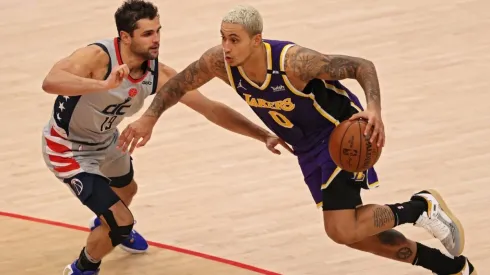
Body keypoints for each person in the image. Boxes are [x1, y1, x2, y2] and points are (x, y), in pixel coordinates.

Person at [117, 4, 478, 275]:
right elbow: (180, 82)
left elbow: (361, 66)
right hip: (305, 148)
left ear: (256, 40)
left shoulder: (295, 63)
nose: (225, 46)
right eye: (222, 37)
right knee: (350, 233)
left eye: (234, 39)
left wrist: (374, 109)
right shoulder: (220, 63)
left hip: (341, 135)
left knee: (341, 229)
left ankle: (421, 207)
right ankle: (448, 267)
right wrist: (150, 116)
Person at [40, 1, 290, 274]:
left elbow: (211, 109)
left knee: (128, 191)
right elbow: (50, 81)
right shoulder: (98, 57)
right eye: (147, 34)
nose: (156, 39)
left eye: (158, 31)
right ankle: (82, 267)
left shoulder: (156, 72)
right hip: (67, 148)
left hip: (108, 141)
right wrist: (103, 85)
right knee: (121, 221)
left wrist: (262, 134)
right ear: (125, 37)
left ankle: (106, 226)